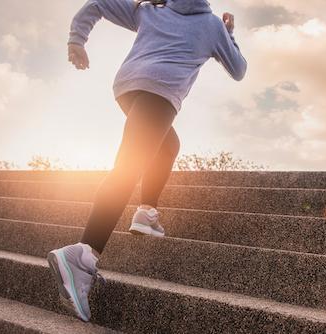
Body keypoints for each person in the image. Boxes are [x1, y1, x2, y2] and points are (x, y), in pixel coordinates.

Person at [47, 0, 247, 322]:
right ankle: (84, 254)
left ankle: (147, 211)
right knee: (128, 167)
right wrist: (229, 33)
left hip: (129, 87)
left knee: (168, 146)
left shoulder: (151, 9)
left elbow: (98, 3)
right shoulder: (211, 25)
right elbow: (238, 69)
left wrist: (76, 39)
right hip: (162, 91)